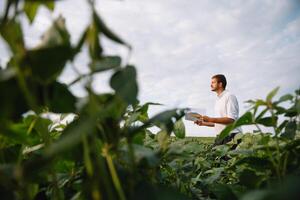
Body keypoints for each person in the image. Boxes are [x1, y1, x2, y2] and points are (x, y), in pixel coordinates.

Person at [195, 74, 241, 146]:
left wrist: (210, 119)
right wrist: (203, 123)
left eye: (213, 82)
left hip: (231, 136)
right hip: (221, 136)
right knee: (213, 156)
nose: (211, 85)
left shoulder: (229, 96)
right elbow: (218, 123)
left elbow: (231, 120)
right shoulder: (218, 100)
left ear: (220, 84)